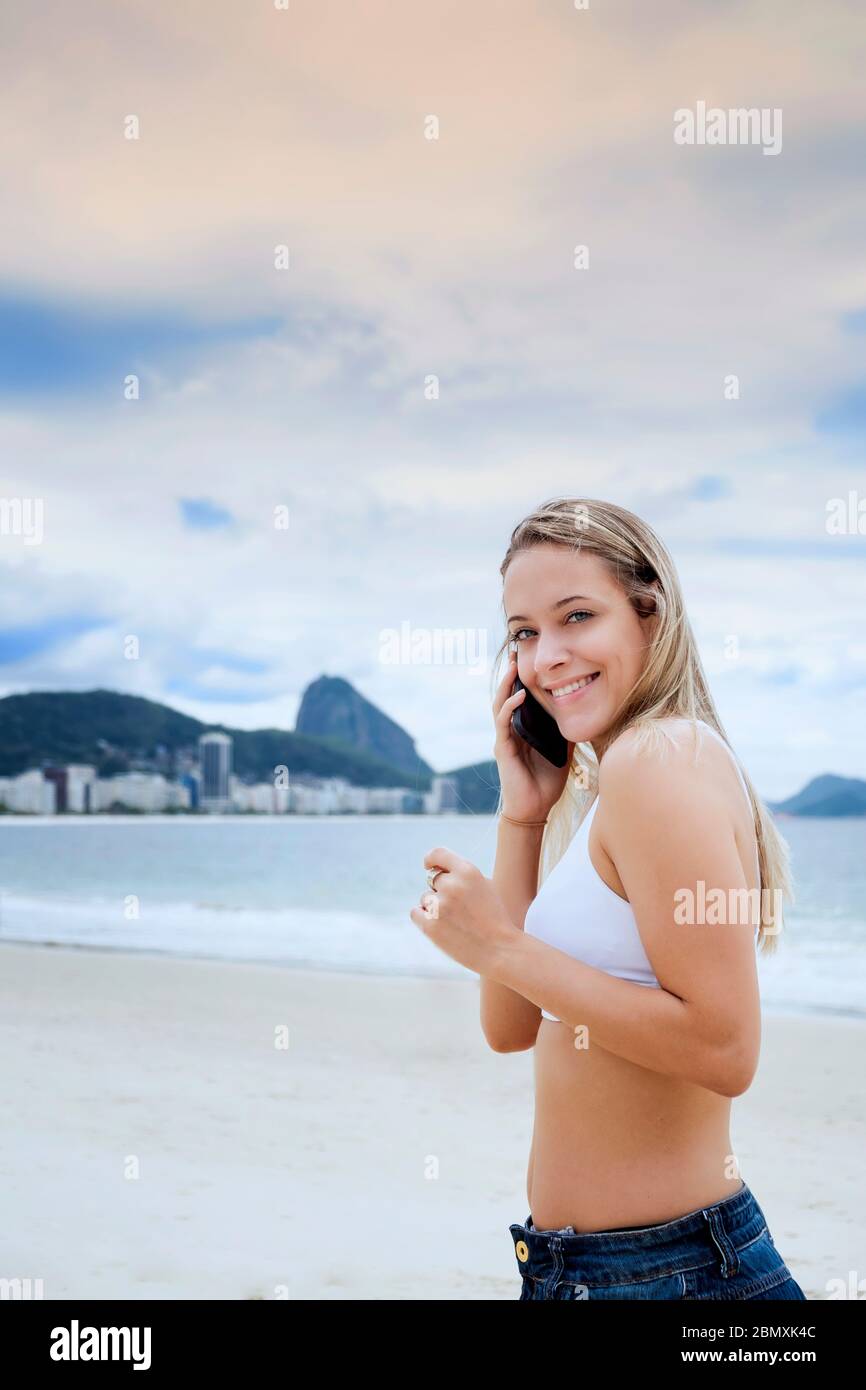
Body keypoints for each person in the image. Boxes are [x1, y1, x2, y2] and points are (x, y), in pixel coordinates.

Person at [410, 497, 807, 1300]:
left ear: (650, 616)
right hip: (581, 1271)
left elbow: (726, 1051)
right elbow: (510, 1025)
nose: (545, 656)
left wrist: (499, 945)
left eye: (577, 616)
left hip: (673, 1275)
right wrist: (524, 815)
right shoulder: (609, 787)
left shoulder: (662, 758)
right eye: (523, 632)